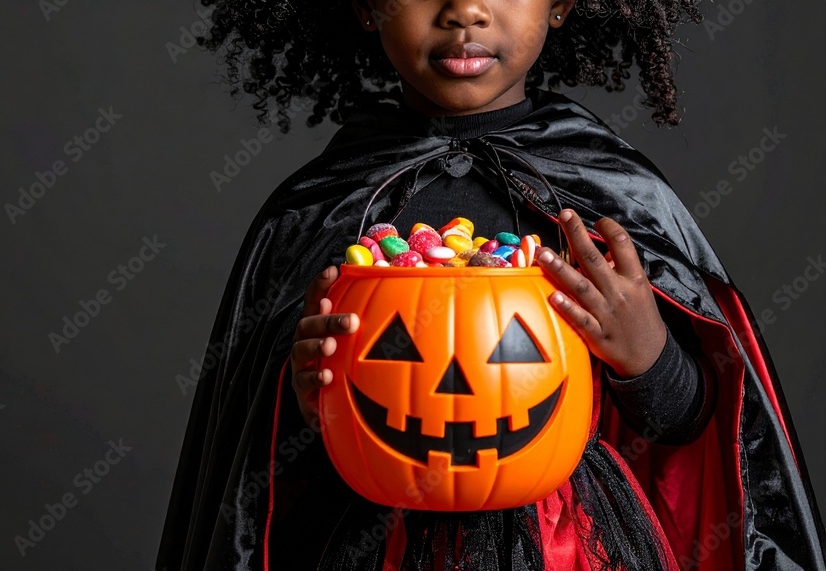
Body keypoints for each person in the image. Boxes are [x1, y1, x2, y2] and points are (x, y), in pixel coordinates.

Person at [157, 0, 826, 569]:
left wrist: (647, 356)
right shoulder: (320, 208)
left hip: (572, 547)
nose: (464, 9)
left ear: (561, 3)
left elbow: (697, 430)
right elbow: (257, 477)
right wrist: (303, 402)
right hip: (367, 545)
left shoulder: (617, 197)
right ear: (364, 3)